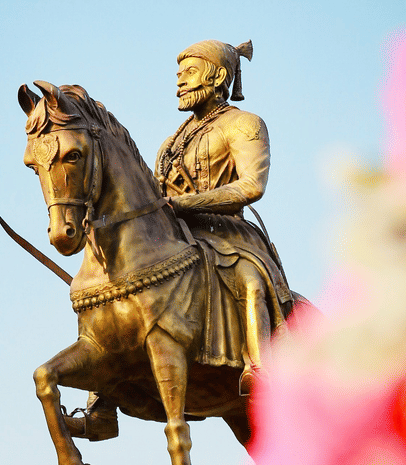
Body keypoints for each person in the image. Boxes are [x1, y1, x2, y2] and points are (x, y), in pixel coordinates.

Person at [64, 39, 291, 441]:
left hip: (227, 234)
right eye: (178, 75)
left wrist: (186, 203)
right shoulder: (171, 142)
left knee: (247, 276)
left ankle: (263, 370)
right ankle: (102, 409)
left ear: (217, 76)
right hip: (177, 234)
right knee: (115, 291)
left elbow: (252, 185)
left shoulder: (244, 124)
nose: (179, 83)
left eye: (188, 73)